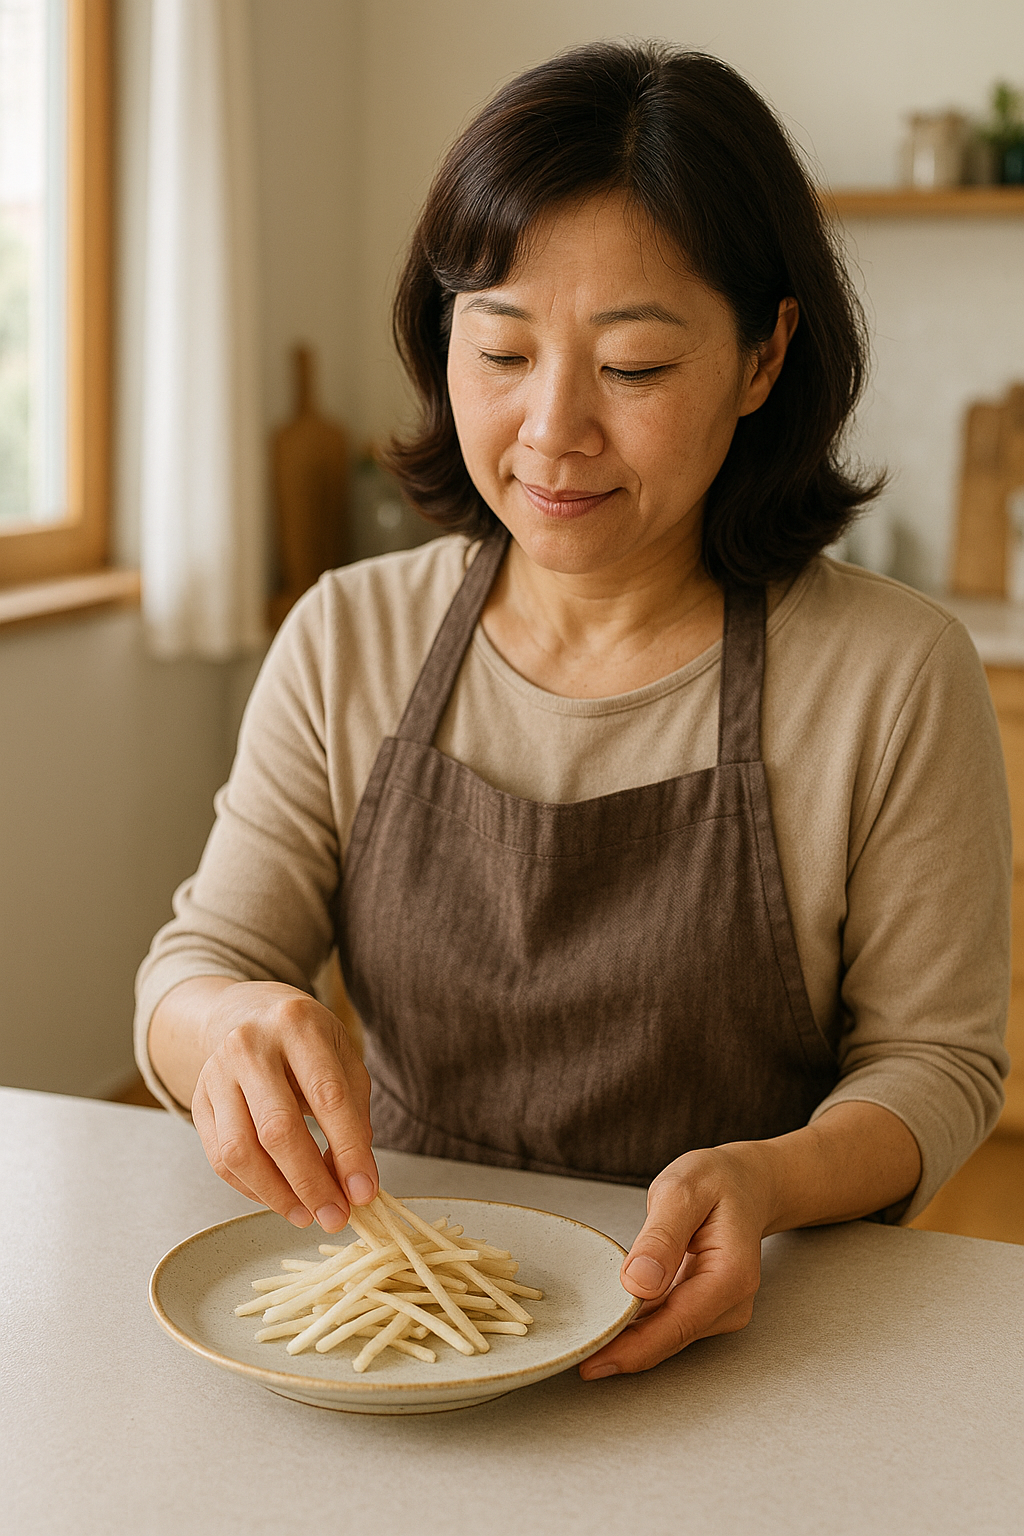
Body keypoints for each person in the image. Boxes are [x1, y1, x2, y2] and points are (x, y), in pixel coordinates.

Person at [136, 42, 1010, 1380]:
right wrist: (223, 1029)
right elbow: (191, 971)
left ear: (765, 354)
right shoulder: (346, 636)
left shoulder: (890, 675)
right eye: (500, 349)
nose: (551, 433)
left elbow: (937, 1066)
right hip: (406, 1331)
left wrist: (771, 1181)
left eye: (636, 369)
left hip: (747, 1336)